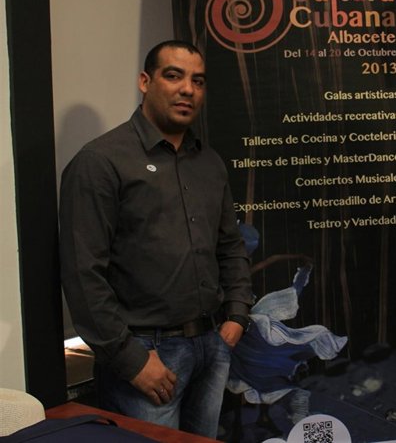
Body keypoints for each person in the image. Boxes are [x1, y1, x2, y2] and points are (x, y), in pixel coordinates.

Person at [59, 40, 254, 438]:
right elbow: (82, 273)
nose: (187, 89)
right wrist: (129, 360)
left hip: (211, 345)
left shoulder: (209, 162)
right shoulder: (100, 161)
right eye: (174, 76)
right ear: (145, 82)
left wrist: (236, 314)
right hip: (147, 355)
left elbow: (230, 245)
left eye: (198, 81)